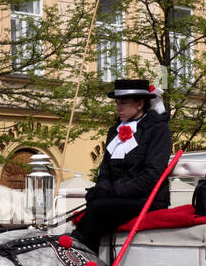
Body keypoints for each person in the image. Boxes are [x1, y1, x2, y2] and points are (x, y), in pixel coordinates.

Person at [72, 77, 173, 254]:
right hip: (117, 198)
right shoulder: (115, 130)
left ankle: (81, 255)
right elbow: (104, 171)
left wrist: (112, 192)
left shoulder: (158, 129)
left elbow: (151, 175)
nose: (118, 108)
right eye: (117, 102)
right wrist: (102, 189)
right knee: (93, 204)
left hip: (147, 200)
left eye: (124, 103)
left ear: (140, 103)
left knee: (98, 209)